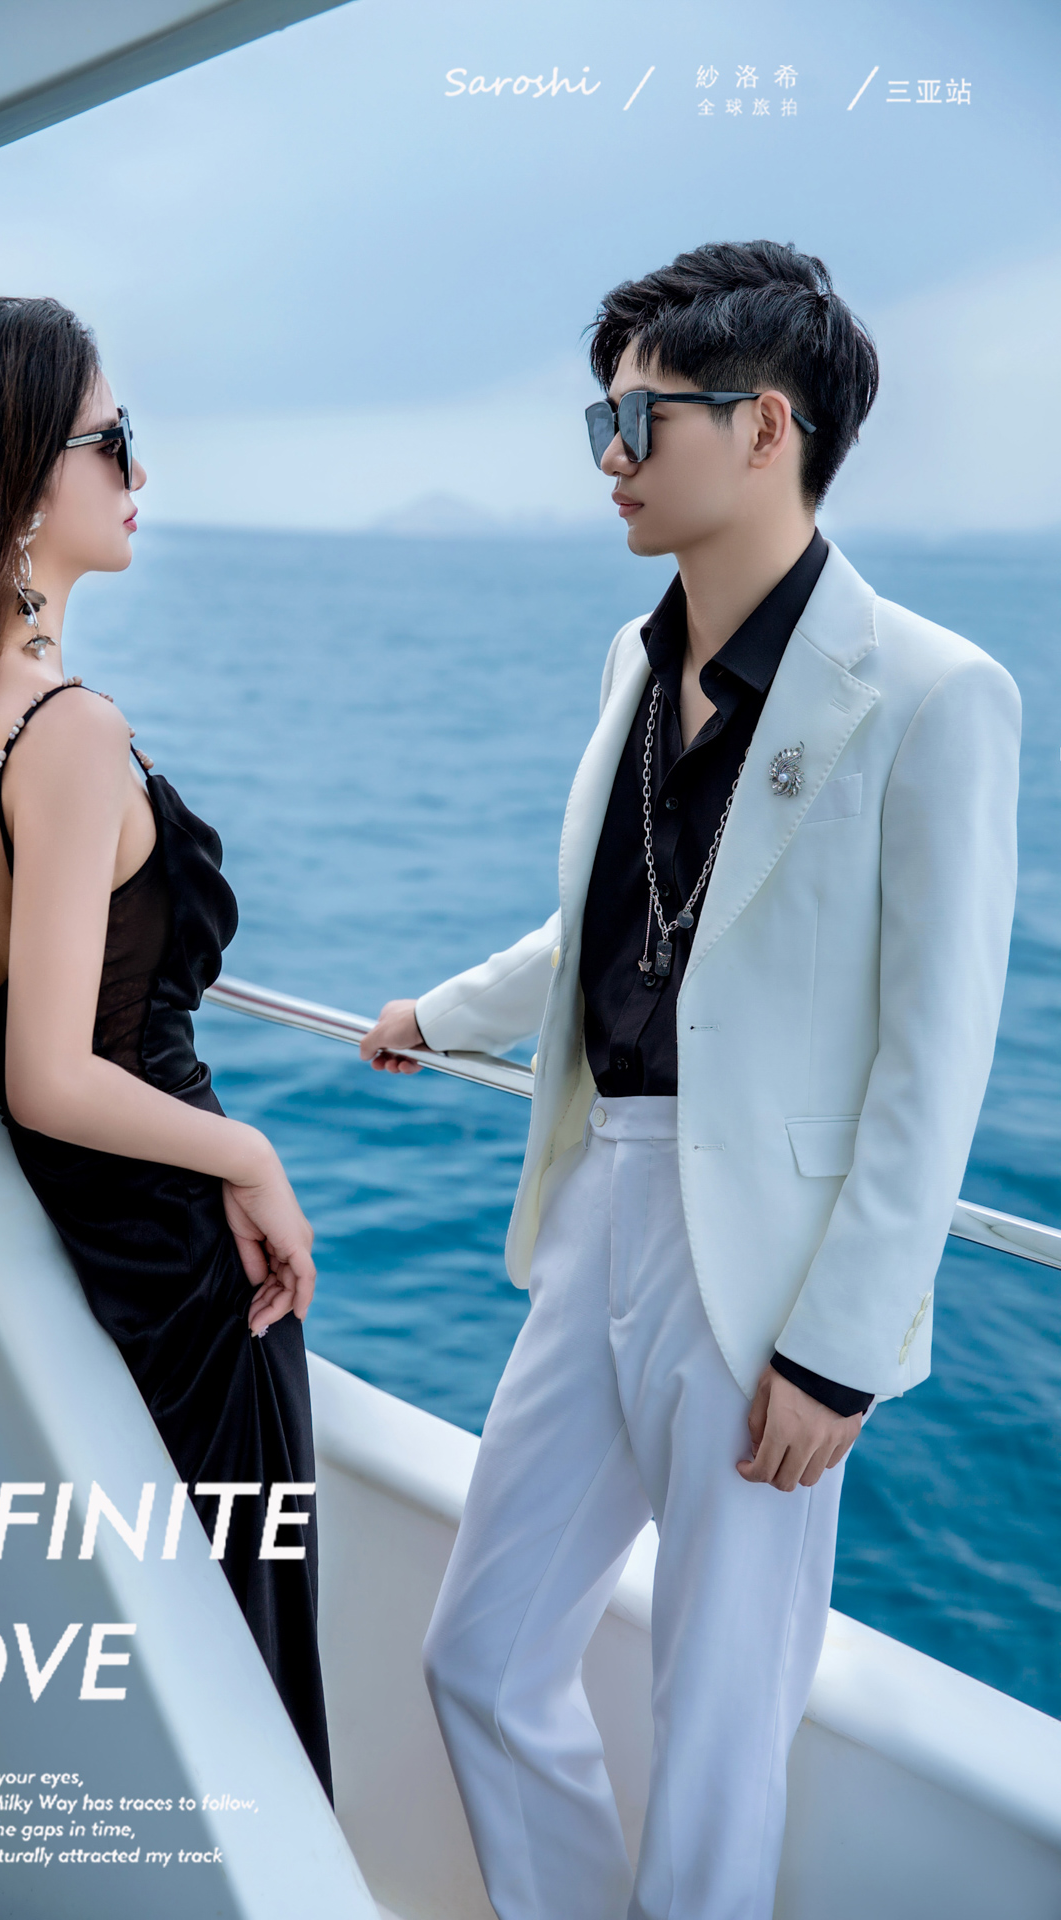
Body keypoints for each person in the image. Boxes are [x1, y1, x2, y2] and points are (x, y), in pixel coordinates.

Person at [359, 241, 1020, 1918]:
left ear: (767, 426)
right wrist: (443, 1015)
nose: (611, 456)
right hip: (602, 1204)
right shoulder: (634, 663)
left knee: (721, 1726)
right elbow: (606, 920)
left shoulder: (934, 693)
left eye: (641, 420)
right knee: (479, 1652)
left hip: (772, 1271)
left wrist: (838, 1350)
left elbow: (937, 1058)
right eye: (605, 420)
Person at [0, 297, 332, 1799]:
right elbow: (55, 1074)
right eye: (113, 439)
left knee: (174, 1697)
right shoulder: (65, 731)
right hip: (186, 1275)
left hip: (94, 1250)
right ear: (22, 482)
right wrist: (251, 1152)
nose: (137, 473)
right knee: (250, 1690)